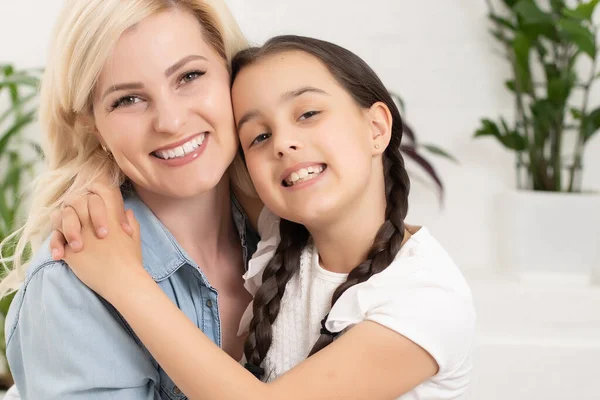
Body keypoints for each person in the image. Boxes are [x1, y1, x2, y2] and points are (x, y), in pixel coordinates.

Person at [56, 35, 476, 399]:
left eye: (308, 114)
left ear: (376, 127)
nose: (283, 144)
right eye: (258, 136)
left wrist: (126, 283)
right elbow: (196, 152)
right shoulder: (284, 235)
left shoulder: (425, 300)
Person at [0, 1, 264, 398]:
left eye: (189, 75)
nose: (171, 121)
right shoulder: (68, 288)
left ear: (232, 74)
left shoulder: (294, 232)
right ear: (93, 126)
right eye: (127, 100)